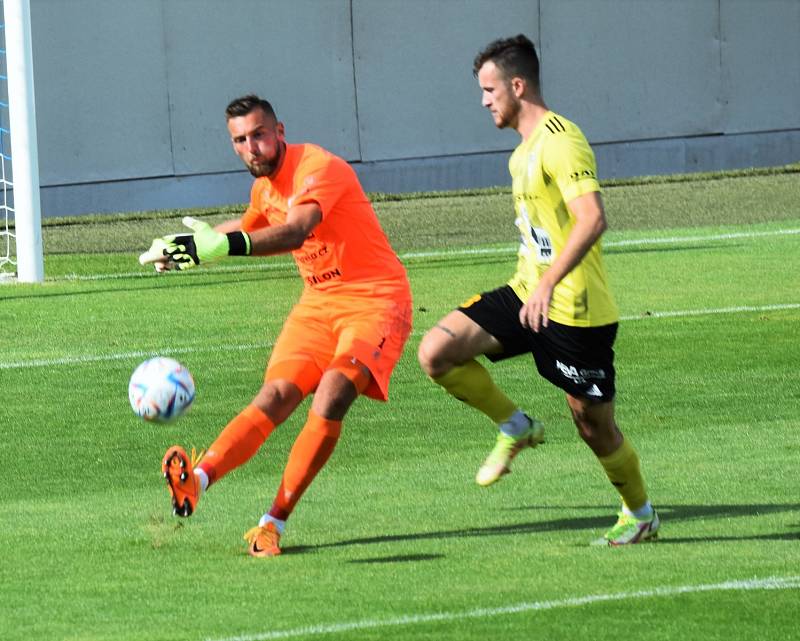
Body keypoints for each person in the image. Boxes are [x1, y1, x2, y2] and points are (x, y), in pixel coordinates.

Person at [140, 94, 412, 557]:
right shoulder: (263, 189)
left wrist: (221, 249)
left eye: (259, 135)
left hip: (375, 301)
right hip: (318, 305)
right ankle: (197, 482)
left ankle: (272, 523)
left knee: (331, 395)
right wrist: (181, 244)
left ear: (279, 131)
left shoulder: (318, 167)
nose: (252, 147)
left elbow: (295, 230)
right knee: (274, 397)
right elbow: (245, 228)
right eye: (240, 140)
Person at [417, 35, 658, 545]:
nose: (484, 100)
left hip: (576, 311)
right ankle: (515, 425)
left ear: (517, 85)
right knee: (437, 351)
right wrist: (536, 281)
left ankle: (640, 514)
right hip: (527, 294)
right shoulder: (522, 152)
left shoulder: (561, 140)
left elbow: (593, 219)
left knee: (593, 427)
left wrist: (550, 281)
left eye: (489, 89)